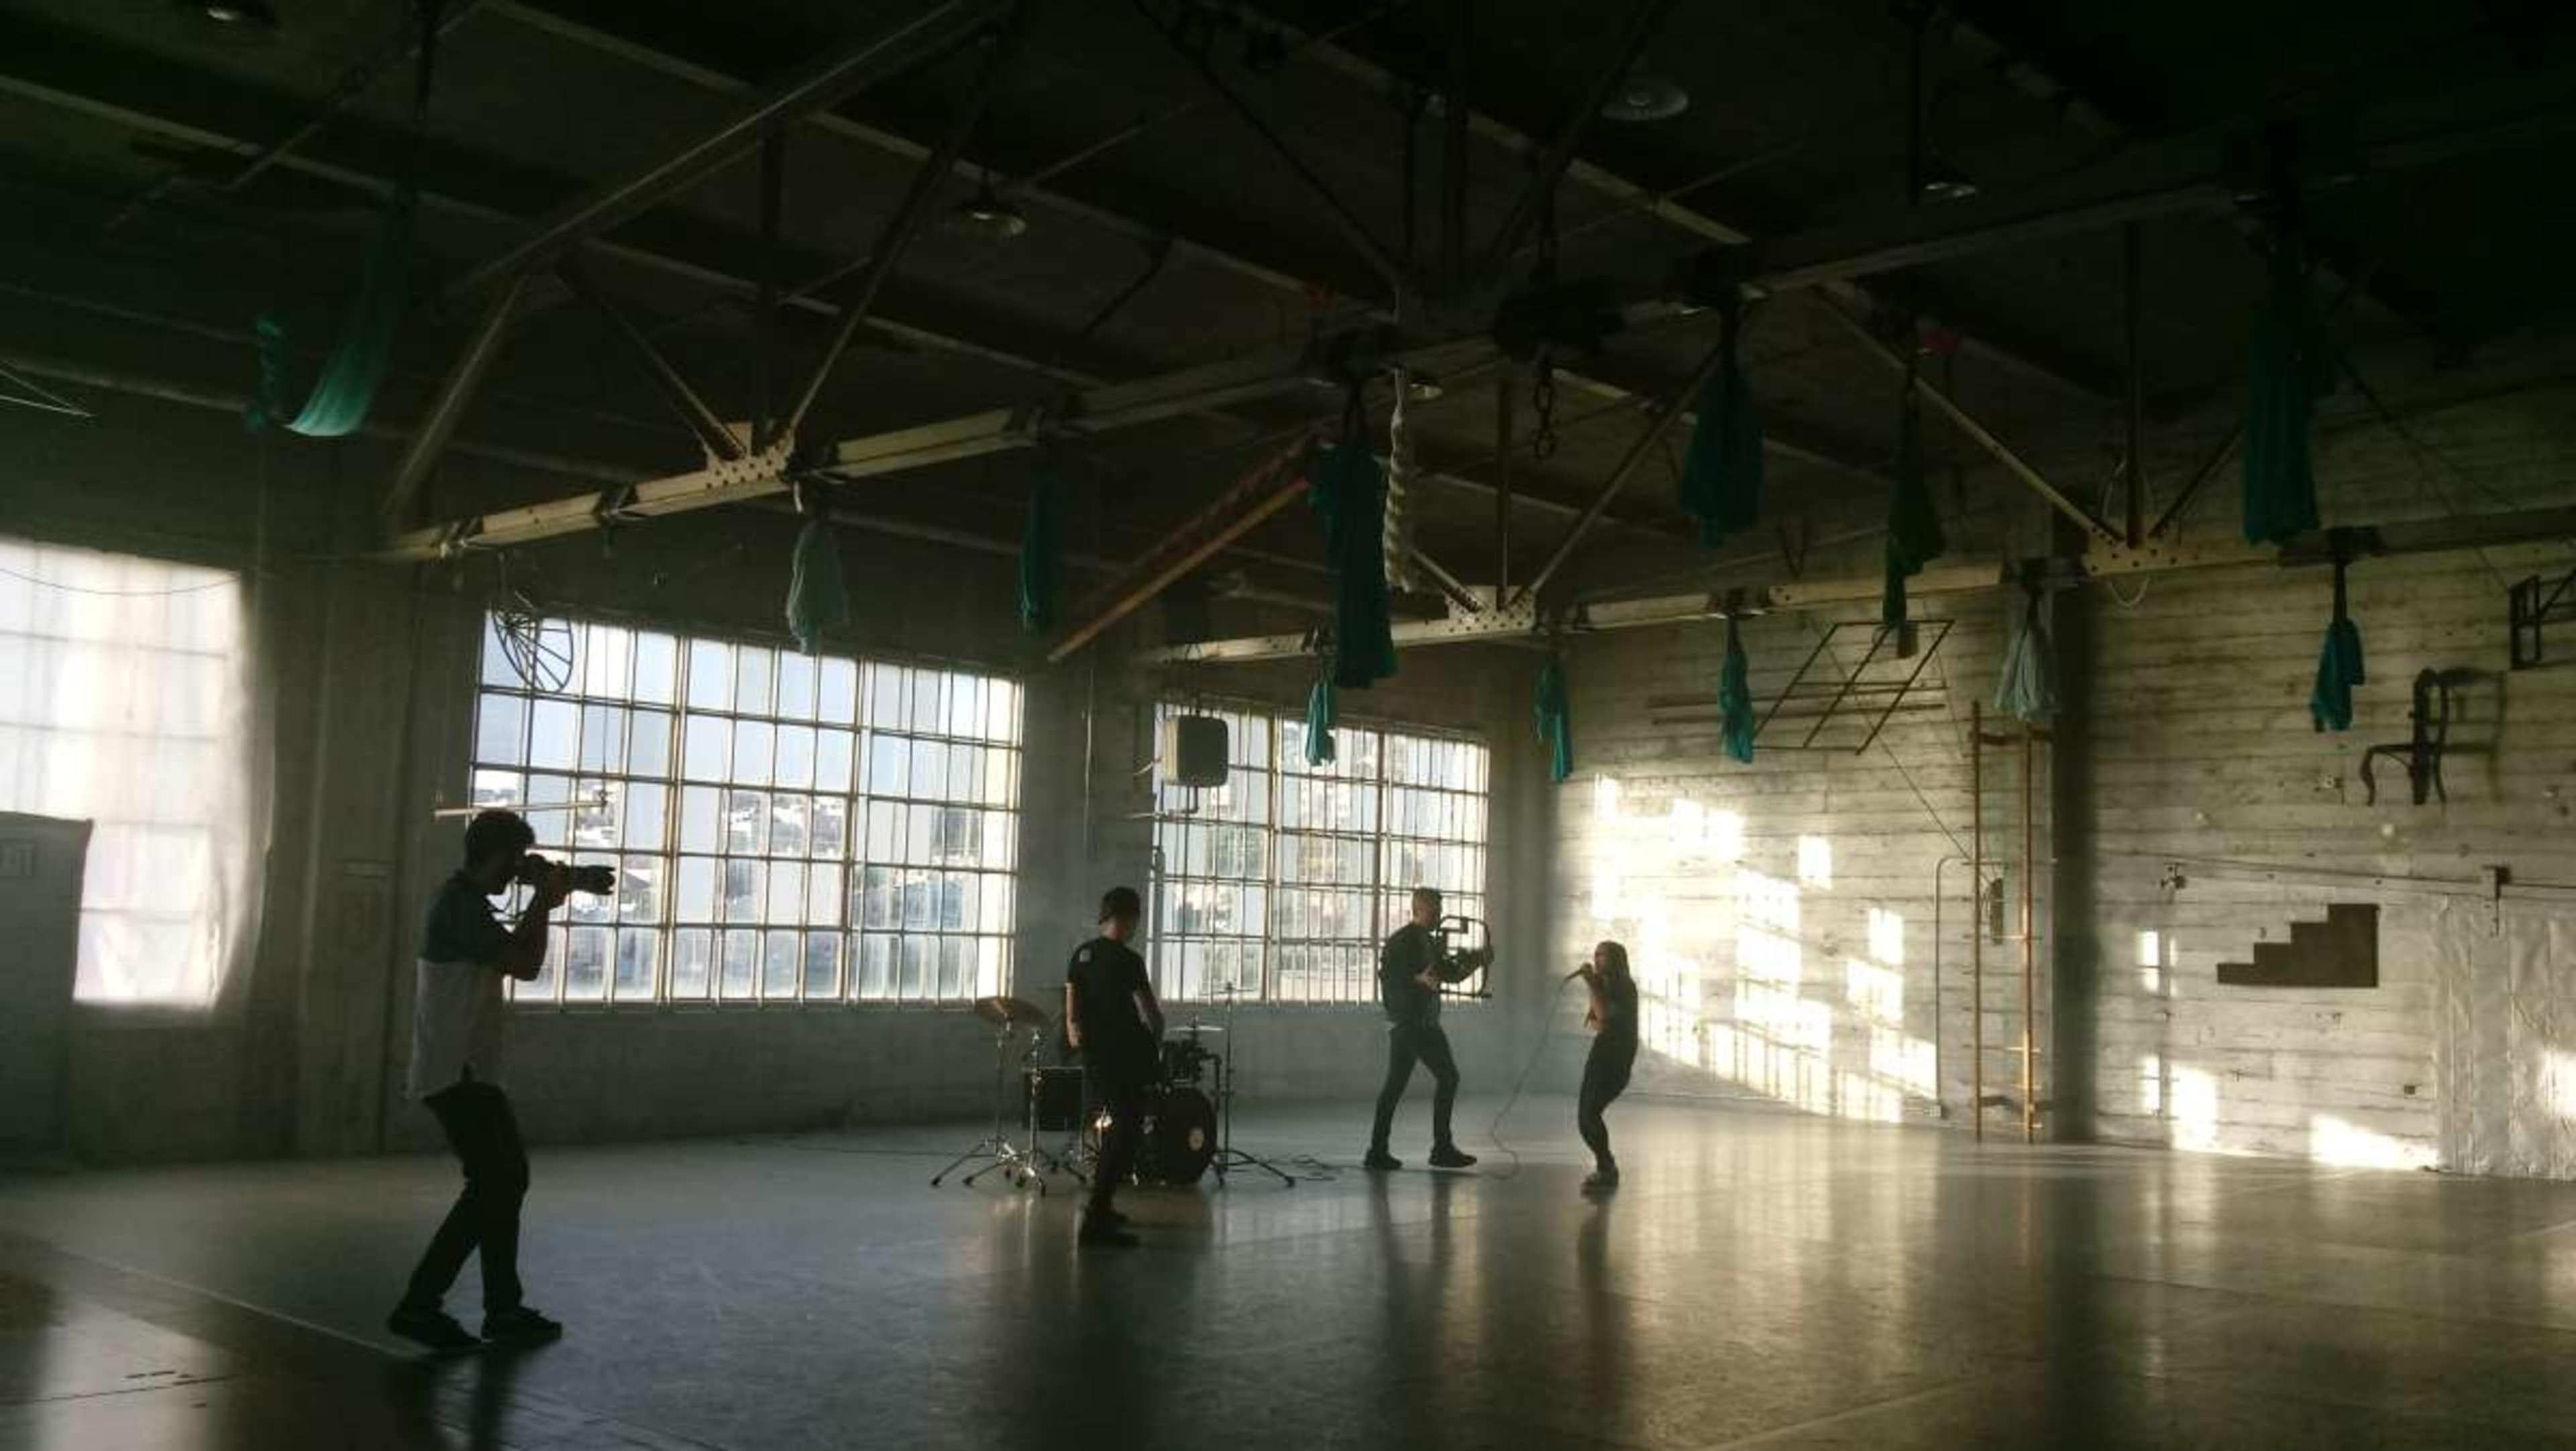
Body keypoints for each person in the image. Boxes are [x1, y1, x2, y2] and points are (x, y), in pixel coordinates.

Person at [387, 810, 568, 1353]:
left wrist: (544, 899)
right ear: (498, 856)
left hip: (470, 1070)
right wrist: (543, 902)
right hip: (455, 1071)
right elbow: (525, 962)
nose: (517, 874)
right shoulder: (458, 907)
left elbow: (519, 958)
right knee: (496, 1181)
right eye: (515, 862)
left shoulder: (465, 905)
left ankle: (501, 1307)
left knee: (504, 1180)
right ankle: (424, 1304)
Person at [1063, 886, 1164, 1247]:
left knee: (1114, 1129)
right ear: (1128, 919)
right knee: (1126, 1132)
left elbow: (1072, 1013)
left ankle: (1102, 1208)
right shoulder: (1130, 961)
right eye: (1135, 919)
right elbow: (1151, 1013)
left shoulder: (1082, 954)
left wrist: (1082, 1044)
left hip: (1096, 1057)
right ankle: (1095, 1215)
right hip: (1125, 1057)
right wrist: (1157, 1044)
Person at [1365, 886, 1476, 1171]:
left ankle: (1378, 1151)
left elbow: (1445, 975)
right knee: (1448, 1077)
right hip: (1412, 1024)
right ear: (1419, 910)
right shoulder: (1401, 941)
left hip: (1418, 1022)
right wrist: (1418, 979)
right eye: (1434, 911)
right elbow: (1390, 979)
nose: (1439, 916)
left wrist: (1473, 963)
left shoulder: (1428, 941)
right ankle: (1441, 1148)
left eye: (1439, 911)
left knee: (1394, 1087)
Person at [1576, 940, 1640, 1192]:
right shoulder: (1605, 986)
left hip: (1615, 1058)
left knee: (1589, 1115)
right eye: (1596, 954)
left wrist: (1592, 986)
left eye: (1602, 955)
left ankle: (1606, 1167)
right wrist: (1597, 993)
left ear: (1616, 959)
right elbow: (1595, 1022)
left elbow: (1603, 1016)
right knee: (1585, 1116)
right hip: (1602, 1053)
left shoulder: (1624, 986)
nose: (1596, 958)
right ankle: (1606, 1165)